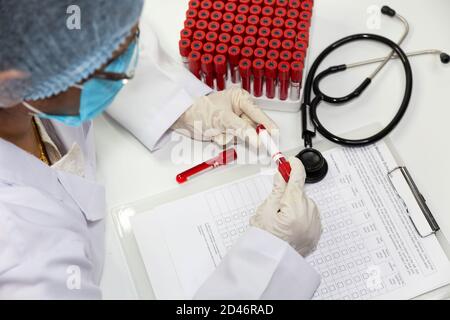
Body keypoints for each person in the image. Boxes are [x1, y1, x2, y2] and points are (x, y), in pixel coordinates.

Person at [0, 0, 322, 299]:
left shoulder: (31, 58)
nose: (129, 58)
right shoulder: (23, 261)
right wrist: (269, 260)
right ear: (11, 81)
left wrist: (182, 105)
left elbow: (87, 37)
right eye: (112, 60)